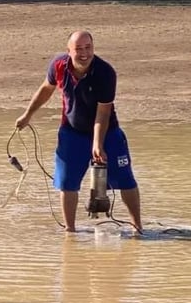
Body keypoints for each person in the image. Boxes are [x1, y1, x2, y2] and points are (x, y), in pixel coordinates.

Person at [15, 30, 142, 234]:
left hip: (108, 131)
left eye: (88, 48)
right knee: (67, 183)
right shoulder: (58, 66)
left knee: (125, 179)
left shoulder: (105, 72)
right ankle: (70, 231)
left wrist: (97, 144)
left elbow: (103, 112)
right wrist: (28, 114)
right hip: (72, 132)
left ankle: (138, 227)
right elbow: (46, 89)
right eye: (78, 49)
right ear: (68, 51)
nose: (84, 53)